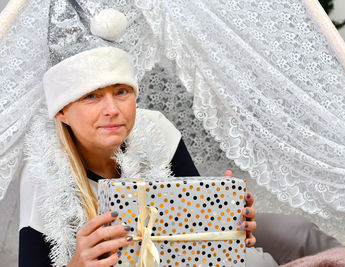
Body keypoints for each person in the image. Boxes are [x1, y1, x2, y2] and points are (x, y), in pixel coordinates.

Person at [18, 46, 278, 267]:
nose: (112, 110)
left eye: (121, 92)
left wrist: (226, 222)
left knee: (293, 233)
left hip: (179, 255)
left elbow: (198, 233)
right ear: (61, 112)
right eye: (91, 96)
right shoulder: (43, 174)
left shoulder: (155, 128)